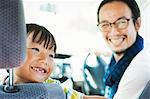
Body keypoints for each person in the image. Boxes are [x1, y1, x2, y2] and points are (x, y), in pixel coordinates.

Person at [3, 23, 106, 99]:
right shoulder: (3, 90)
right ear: (13, 53)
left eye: (51, 55)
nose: (45, 59)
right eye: (36, 49)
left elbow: (83, 98)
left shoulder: (54, 89)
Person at [97, 0, 150, 99]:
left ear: (137, 24)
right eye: (105, 24)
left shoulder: (138, 69)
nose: (114, 32)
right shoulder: (119, 63)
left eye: (121, 22)